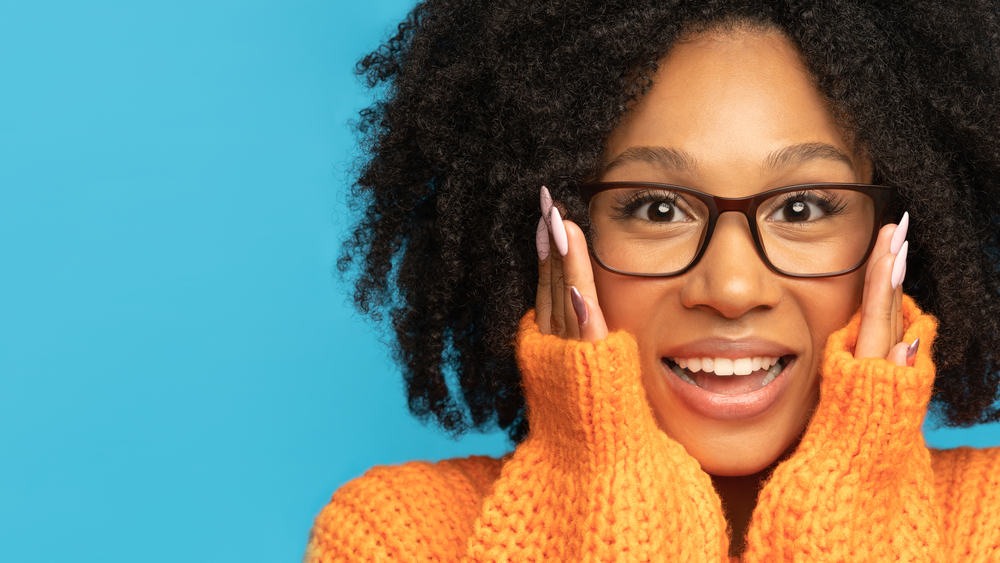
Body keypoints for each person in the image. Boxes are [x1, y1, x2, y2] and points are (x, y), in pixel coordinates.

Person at [306, 1, 1000, 560]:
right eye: (658, 208)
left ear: (909, 228)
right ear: (553, 232)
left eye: (801, 207)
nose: (731, 287)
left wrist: (858, 501)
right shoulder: (400, 540)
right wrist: (606, 503)